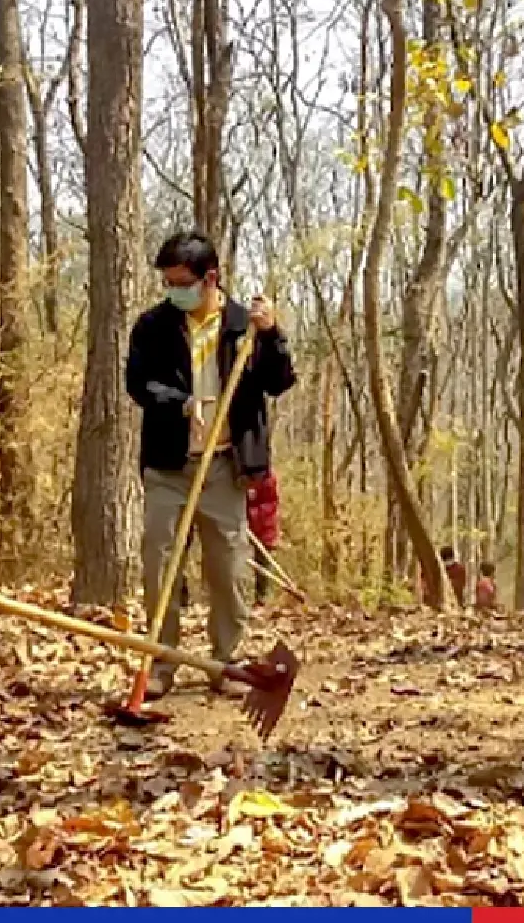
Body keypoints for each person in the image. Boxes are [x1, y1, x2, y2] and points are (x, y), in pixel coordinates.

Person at [127, 231, 295, 699]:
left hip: (225, 467)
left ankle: (226, 662)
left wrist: (273, 334)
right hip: (169, 465)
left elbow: (279, 381)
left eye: (181, 281)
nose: (173, 290)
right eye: (167, 282)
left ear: (210, 278)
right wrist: (181, 404)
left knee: (228, 566)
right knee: (160, 563)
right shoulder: (153, 326)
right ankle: (162, 661)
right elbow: (138, 384)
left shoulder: (245, 325)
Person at [246, 469, 281, 605]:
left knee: (263, 562)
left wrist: (251, 516)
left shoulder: (268, 478)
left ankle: (262, 597)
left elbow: (270, 504)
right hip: (242, 524)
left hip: (264, 527)